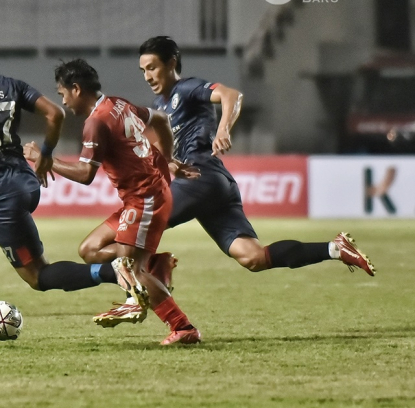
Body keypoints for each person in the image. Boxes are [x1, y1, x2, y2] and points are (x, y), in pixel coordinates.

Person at [80, 36, 375, 307]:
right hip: (213, 186)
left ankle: (153, 284)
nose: (147, 76)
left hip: (199, 179)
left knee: (110, 245)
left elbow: (231, 95)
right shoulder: (160, 105)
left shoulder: (187, 88)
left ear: (171, 63)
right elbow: (159, 149)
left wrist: (223, 129)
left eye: (153, 68)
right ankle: (334, 248)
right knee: (253, 256)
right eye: (143, 70)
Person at [0, 27, 144, 348]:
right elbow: (54, 113)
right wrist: (46, 154)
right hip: (22, 183)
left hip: (1, 194)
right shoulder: (10, 84)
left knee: (38, 277)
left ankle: (114, 272)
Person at [24, 58, 201, 345]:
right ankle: (155, 264)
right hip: (142, 197)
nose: (64, 101)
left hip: (146, 199)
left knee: (131, 269)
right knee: (90, 250)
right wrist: (166, 159)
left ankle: (183, 327)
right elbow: (161, 119)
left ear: (76, 89)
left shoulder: (96, 121)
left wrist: (45, 159)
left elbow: (85, 175)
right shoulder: (118, 104)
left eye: (63, 94)